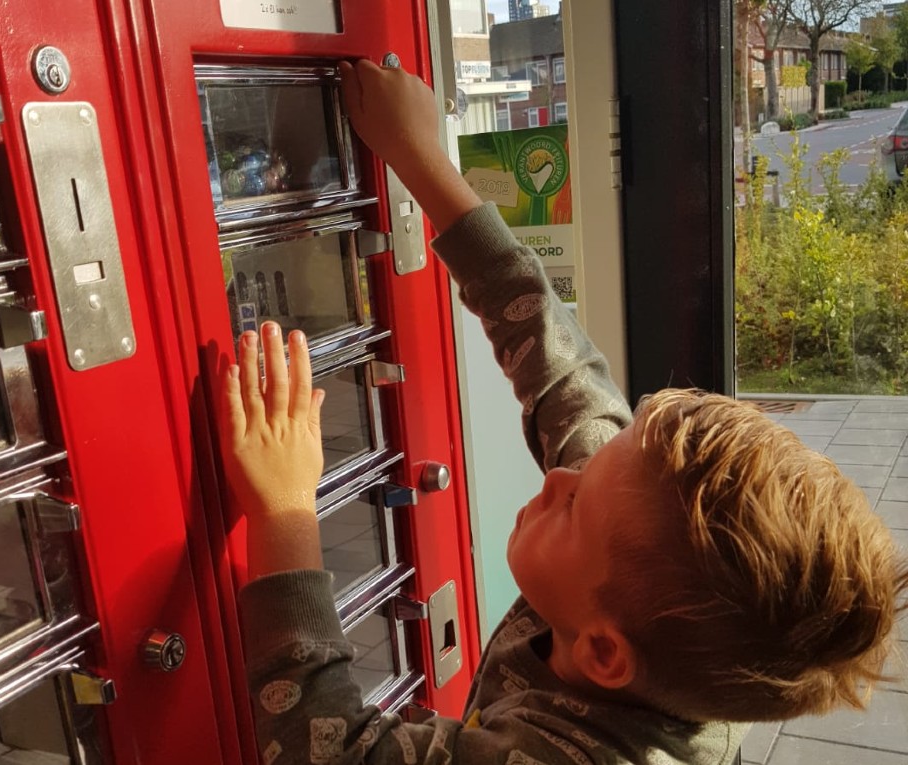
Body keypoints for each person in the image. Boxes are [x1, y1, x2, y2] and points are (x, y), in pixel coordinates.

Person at [219, 59, 908, 765]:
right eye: (585, 474)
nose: (557, 476)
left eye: (574, 505)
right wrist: (421, 156)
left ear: (604, 652)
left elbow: (326, 749)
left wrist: (284, 510)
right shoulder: (644, 583)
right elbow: (554, 358)